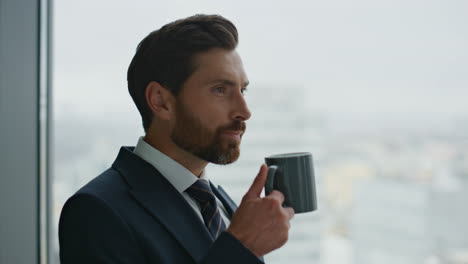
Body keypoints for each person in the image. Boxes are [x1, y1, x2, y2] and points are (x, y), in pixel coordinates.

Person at [59, 14, 294, 264]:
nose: (244, 111)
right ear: (160, 101)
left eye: (242, 89)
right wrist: (241, 247)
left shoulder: (219, 202)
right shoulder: (96, 211)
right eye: (220, 90)